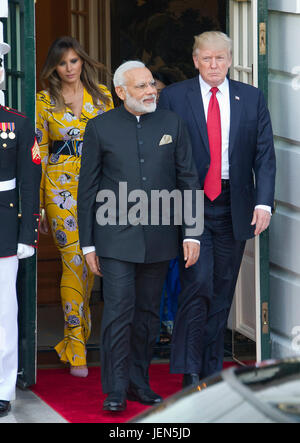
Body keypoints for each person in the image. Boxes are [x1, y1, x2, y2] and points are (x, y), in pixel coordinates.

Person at [77, 60, 201, 412]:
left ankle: (138, 383)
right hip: (115, 238)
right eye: (142, 87)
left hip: (162, 237)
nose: (151, 91)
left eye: (151, 85)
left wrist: (191, 233)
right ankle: (114, 389)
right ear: (120, 92)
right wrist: (88, 243)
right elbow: (87, 190)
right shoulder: (100, 127)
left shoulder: (171, 123)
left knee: (147, 314)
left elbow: (188, 180)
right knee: (118, 311)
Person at [158, 31, 276, 387]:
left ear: (229, 59)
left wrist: (264, 202)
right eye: (206, 58)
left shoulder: (250, 98)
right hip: (191, 202)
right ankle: (190, 370)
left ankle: (209, 370)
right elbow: (162, 154)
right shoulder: (176, 97)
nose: (213, 65)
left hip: (234, 204)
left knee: (222, 290)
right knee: (198, 286)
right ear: (195, 60)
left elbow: (264, 155)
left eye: (220, 58)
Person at [36, 36, 114, 378]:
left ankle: (77, 338)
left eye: (73, 61)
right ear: (54, 67)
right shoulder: (43, 102)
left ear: (83, 61)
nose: (69, 68)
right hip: (59, 188)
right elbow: (38, 154)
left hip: (99, 188)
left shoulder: (104, 97)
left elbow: (118, 145)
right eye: (62, 62)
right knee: (74, 260)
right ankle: (77, 346)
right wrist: (37, 202)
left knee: (89, 262)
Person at [0, 42, 42, 417]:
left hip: (3, 226)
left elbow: (30, 181)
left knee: (3, 311)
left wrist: (27, 233)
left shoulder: (16, 122)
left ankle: (1, 387)